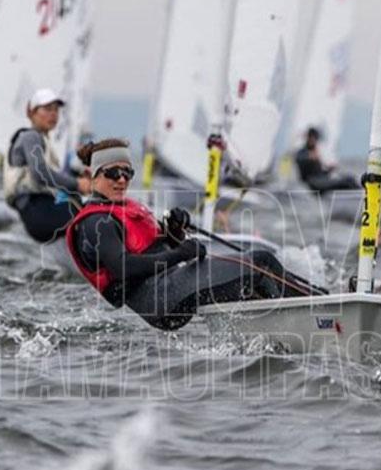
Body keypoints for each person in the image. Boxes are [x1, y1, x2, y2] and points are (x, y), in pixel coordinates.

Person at [66, 139, 310, 331]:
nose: (121, 180)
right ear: (94, 176)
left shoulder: (119, 208)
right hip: (161, 300)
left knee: (254, 277)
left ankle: (291, 317)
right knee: (261, 262)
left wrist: (174, 231)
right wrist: (179, 254)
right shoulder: (96, 222)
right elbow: (122, 268)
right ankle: (313, 313)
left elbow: (153, 248)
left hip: (170, 286)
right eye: (112, 173)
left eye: (127, 173)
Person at [4, 88, 91, 242]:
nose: (53, 114)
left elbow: (54, 176)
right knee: (94, 213)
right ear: (32, 112)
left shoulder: (42, 140)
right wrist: (77, 184)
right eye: (47, 109)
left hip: (42, 210)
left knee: (83, 204)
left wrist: (80, 178)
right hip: (37, 211)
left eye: (56, 110)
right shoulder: (31, 137)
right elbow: (40, 173)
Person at [294, 127, 359, 194]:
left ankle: (360, 194)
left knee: (350, 179)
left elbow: (319, 172)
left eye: (315, 138)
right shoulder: (303, 152)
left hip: (322, 179)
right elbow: (299, 158)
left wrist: (329, 169)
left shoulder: (315, 152)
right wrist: (309, 157)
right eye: (311, 137)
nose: (313, 140)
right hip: (313, 182)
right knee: (346, 182)